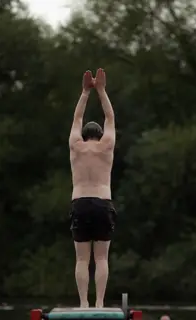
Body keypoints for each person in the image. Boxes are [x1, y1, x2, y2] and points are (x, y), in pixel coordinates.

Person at [68, 68, 117, 308]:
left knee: (81, 259)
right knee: (101, 258)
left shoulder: (75, 146)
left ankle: (83, 303)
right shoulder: (107, 146)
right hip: (102, 202)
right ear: (100, 135)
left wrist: (85, 93)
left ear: (83, 135)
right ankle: (99, 303)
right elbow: (110, 118)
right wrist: (101, 91)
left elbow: (77, 119)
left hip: (80, 203)